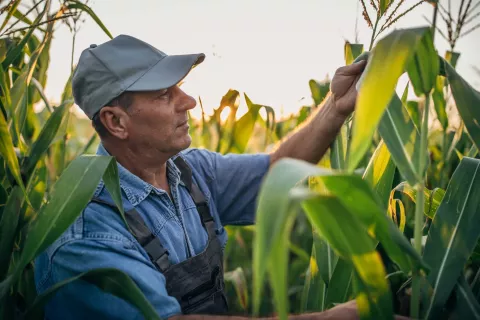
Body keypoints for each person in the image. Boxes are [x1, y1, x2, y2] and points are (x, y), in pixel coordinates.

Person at [33, 34, 406, 320]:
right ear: (116, 121)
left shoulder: (191, 172)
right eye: (165, 94)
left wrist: (334, 109)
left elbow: (276, 172)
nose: (188, 101)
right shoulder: (86, 230)